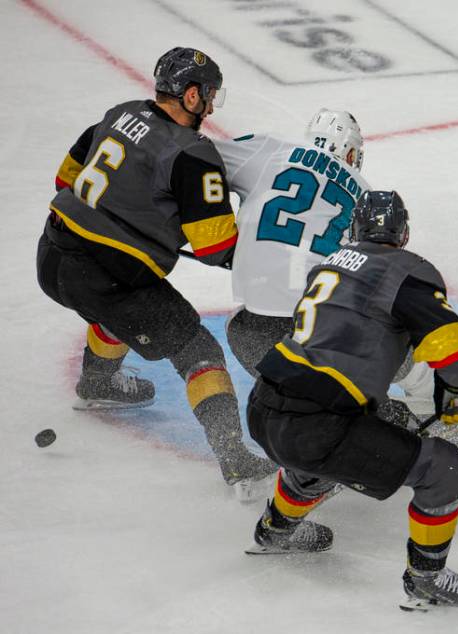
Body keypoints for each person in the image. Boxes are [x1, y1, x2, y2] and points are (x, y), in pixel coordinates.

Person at [36, 46, 277, 491]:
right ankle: (234, 456)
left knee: (123, 309)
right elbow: (215, 245)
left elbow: (65, 178)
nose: (209, 104)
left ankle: (98, 382)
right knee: (198, 350)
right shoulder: (193, 154)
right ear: (190, 96)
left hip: (51, 255)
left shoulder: (118, 113)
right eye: (208, 95)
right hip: (108, 279)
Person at [244, 190, 458, 612]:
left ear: (355, 229)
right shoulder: (407, 270)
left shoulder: (327, 264)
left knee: (340, 447)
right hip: (317, 426)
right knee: (443, 466)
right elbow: (449, 341)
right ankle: (425, 580)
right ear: (403, 233)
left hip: (263, 408)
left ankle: (275, 529)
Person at [214, 109, 370, 377]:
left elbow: (196, 157)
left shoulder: (271, 149)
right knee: (385, 327)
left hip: (251, 331)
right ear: (350, 152)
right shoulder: (365, 193)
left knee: (279, 380)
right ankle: (427, 399)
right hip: (321, 334)